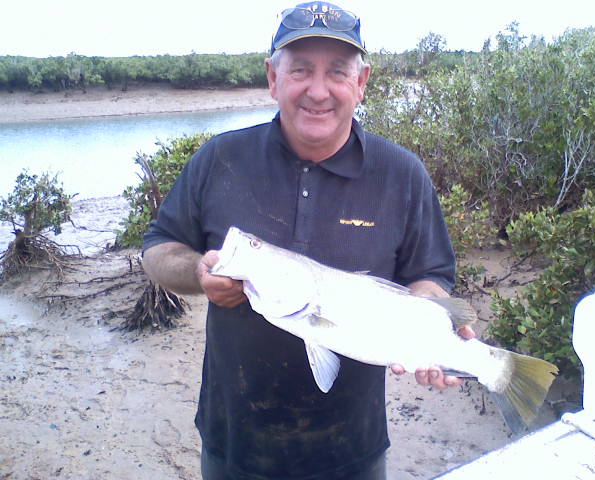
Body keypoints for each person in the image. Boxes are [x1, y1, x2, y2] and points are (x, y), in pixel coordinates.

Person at [142, 2, 474, 479]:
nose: (318, 91)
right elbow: (159, 249)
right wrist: (197, 272)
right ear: (273, 78)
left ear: (361, 84)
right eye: (300, 70)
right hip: (233, 443)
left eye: (337, 72)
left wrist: (431, 334)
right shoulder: (220, 159)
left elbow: (430, 275)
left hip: (353, 451)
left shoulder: (402, 175)